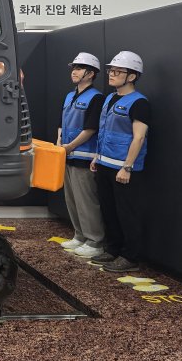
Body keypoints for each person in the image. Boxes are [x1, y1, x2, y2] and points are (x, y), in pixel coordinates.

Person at [90, 51, 150, 273]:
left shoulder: (140, 103)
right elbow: (105, 131)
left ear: (132, 76)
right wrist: (97, 156)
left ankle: (130, 256)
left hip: (124, 168)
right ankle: (113, 249)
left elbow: (139, 137)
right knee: (109, 210)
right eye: (111, 70)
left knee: (127, 213)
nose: (111, 74)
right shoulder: (110, 98)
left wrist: (127, 167)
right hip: (105, 164)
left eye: (117, 71)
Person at [57, 53, 106, 258]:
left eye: (79, 68)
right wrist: (60, 142)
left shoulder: (96, 97)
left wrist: (69, 147)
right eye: (73, 67)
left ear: (91, 73)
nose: (74, 71)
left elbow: (91, 129)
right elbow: (63, 122)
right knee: (72, 199)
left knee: (87, 201)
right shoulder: (70, 95)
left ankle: (95, 242)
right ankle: (79, 236)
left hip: (84, 157)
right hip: (67, 155)